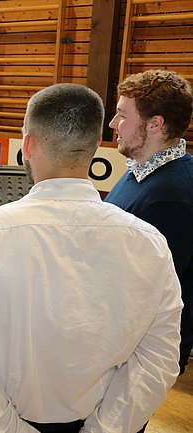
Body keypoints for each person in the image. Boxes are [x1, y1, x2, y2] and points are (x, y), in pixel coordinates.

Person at [0, 83, 182, 433]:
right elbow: (158, 357)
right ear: (95, 147)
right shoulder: (149, 243)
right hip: (100, 420)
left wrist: (10, 428)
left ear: (28, 145)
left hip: (0, 422)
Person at [105, 69, 193, 375]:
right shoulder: (142, 169)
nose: (112, 124)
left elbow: (150, 293)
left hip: (139, 355)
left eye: (122, 115)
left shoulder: (171, 196)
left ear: (155, 124)